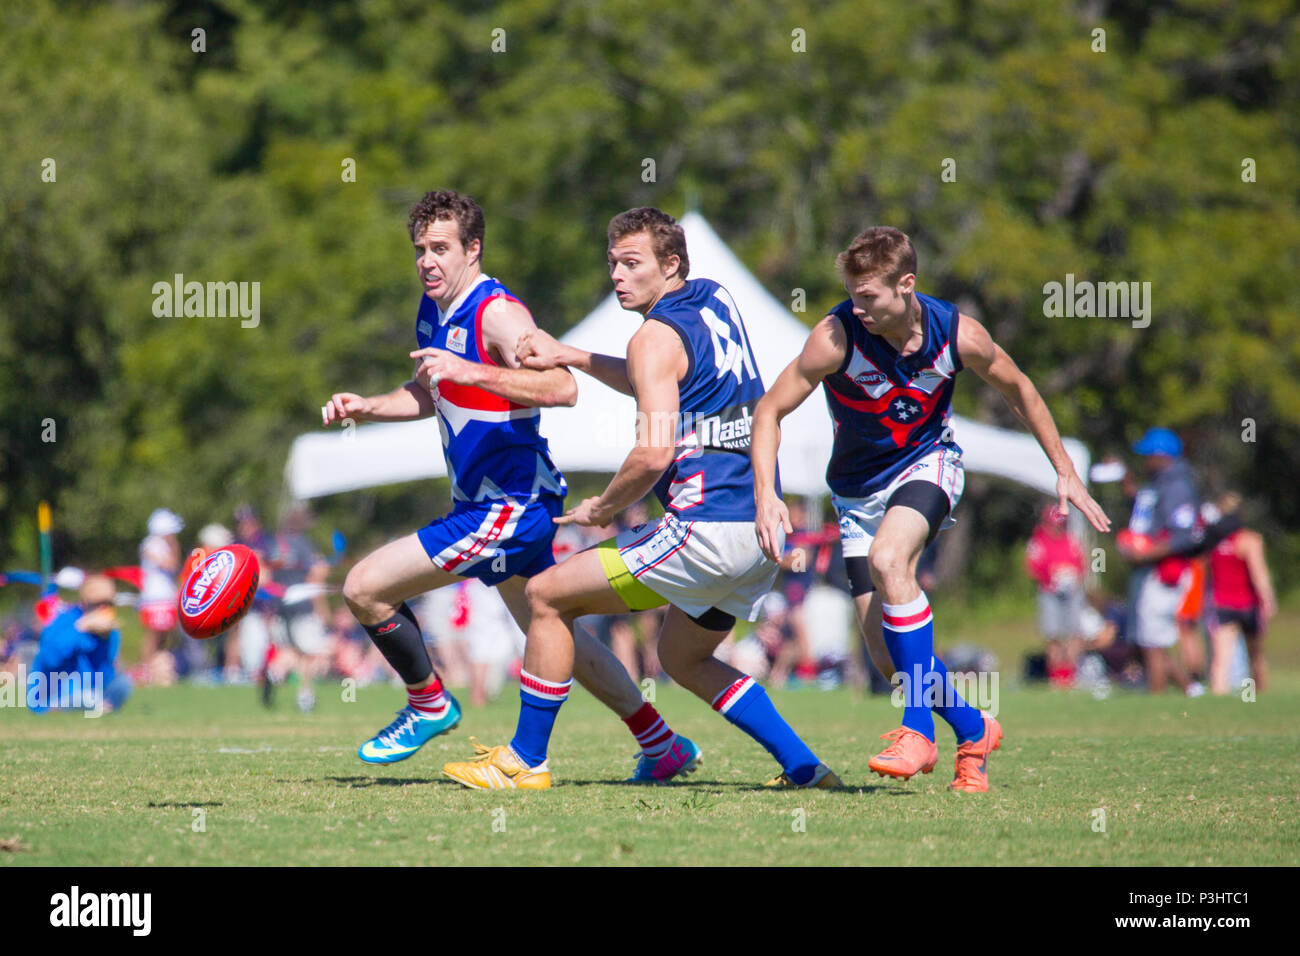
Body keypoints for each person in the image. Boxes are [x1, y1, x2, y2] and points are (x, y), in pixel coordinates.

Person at [443, 206, 841, 790]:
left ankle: (525, 760)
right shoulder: (713, 299)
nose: (617, 277)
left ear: (671, 264)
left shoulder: (652, 339)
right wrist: (574, 355)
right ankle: (805, 767)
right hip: (757, 531)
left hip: (702, 528)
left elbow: (653, 454)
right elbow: (662, 375)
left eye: (632, 264)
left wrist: (602, 508)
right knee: (683, 658)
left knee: (545, 595)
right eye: (612, 264)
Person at [323, 190, 695, 778]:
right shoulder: (433, 309)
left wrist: (471, 368)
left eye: (441, 248)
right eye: (420, 249)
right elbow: (432, 391)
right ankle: (661, 743)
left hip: (509, 507)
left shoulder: (497, 313)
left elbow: (561, 389)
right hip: (492, 503)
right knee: (551, 629)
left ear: (473, 249)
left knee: (364, 588)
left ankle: (429, 704)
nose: (427, 261)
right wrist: (369, 406)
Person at [752, 226, 1110, 792]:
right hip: (854, 493)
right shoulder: (834, 336)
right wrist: (767, 494)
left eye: (868, 295)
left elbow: (1020, 388)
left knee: (892, 560)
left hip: (928, 464)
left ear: (906, 284)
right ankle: (974, 729)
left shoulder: (957, 335)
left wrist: (1063, 469)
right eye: (851, 293)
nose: (857, 306)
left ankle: (917, 731)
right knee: (888, 657)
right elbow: (768, 410)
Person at [1116, 427, 1205, 696]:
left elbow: (1184, 537)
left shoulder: (1178, 486)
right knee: (1148, 638)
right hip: (1152, 572)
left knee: (1153, 640)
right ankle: (1190, 689)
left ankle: (1158, 696)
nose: (1145, 462)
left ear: (1161, 456)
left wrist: (1146, 553)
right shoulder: (1158, 484)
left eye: (1148, 456)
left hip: (1167, 572)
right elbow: (1150, 516)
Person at [27, 575, 132, 715]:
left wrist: (103, 639)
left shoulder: (111, 632)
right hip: (55, 689)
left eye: (108, 604)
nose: (104, 609)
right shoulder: (64, 620)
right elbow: (49, 659)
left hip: (90, 690)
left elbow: (105, 672)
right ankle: (57, 707)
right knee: (84, 696)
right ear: (84, 603)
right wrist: (80, 628)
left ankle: (99, 707)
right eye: (98, 604)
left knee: (123, 683)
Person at [1207, 492, 1276, 695]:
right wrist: (1268, 600)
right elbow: (1259, 574)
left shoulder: (1214, 543)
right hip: (1248, 604)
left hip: (1222, 604)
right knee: (1256, 654)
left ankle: (1219, 698)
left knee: (1221, 658)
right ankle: (1257, 696)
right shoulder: (1250, 540)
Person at [1025, 504, 1087, 687]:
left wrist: (1072, 575)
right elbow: (1031, 568)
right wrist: (1050, 576)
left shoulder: (1072, 540)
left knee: (1076, 633)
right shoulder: (1038, 542)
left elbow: (1083, 564)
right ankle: (1057, 678)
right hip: (1049, 592)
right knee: (1053, 635)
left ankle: (1070, 675)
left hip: (1072, 592)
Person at [137, 508, 183, 681]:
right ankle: (146, 668)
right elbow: (170, 565)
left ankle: (157, 669)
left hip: (165, 596)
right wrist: (174, 546)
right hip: (154, 597)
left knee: (164, 636)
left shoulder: (164, 545)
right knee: (153, 635)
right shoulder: (150, 544)